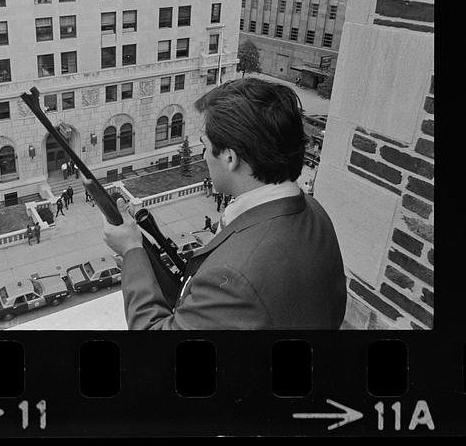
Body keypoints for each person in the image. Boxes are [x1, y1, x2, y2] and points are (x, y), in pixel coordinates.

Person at [100, 77, 347, 330]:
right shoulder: (315, 212)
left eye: (204, 145)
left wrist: (131, 250)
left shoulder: (233, 276)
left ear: (230, 158)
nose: (203, 155)